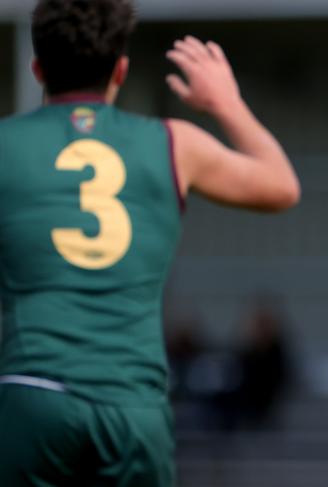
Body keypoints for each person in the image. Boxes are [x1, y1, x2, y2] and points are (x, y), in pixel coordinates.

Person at [0, 0, 300, 486]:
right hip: (132, 403)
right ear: (121, 69)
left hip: (32, 394)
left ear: (37, 69)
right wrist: (226, 102)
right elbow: (281, 185)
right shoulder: (172, 141)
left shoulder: (6, 143)